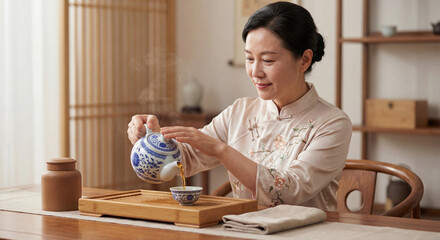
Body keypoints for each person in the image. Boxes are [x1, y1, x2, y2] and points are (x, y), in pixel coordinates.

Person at [127, 1, 352, 211]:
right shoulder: (240, 111)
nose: (255, 72)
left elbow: (289, 192)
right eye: (250, 58)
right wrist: (151, 141)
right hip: (242, 230)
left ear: (304, 59)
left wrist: (220, 150)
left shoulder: (332, 123)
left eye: (268, 60)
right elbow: (183, 160)